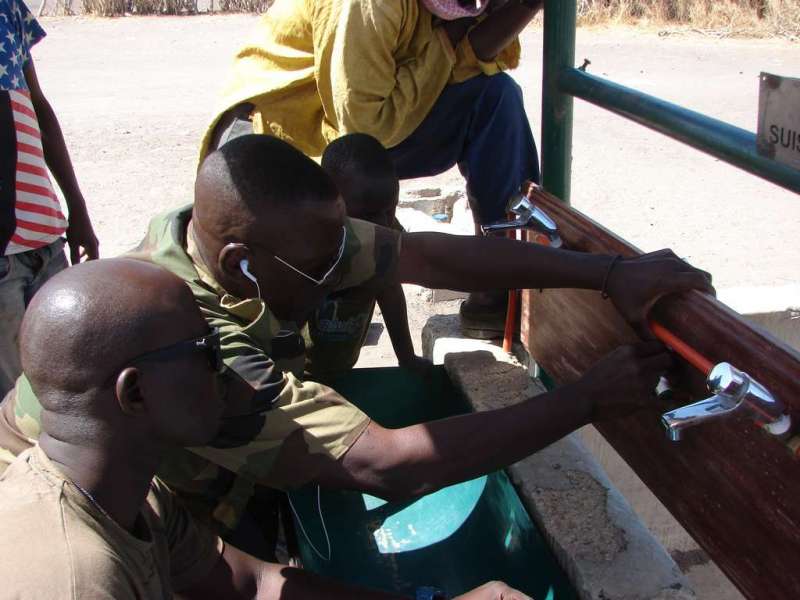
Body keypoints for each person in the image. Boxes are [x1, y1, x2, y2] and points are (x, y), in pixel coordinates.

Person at [0, 135, 712, 544]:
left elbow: (429, 257)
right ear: (243, 267)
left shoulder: (265, 237)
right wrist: (587, 400)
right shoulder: (192, 342)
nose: (346, 271)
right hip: (80, 522)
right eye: (324, 265)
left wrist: (608, 271)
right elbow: (383, 464)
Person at [0, 257, 530, 600]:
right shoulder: (75, 578)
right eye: (210, 353)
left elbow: (252, 583)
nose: (228, 372)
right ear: (134, 392)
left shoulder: (132, 496)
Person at [201, 0, 543, 334]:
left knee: (497, 96)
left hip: (363, 123)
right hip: (283, 137)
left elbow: (464, 63)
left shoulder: (461, 6)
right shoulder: (367, 6)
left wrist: (524, 6)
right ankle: (284, 329)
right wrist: (451, 38)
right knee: (295, 282)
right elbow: (364, 126)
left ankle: (500, 280)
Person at [0, 0, 99, 397]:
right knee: (11, 399)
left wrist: (78, 210)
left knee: (66, 382)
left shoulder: (8, 9)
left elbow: (37, 106)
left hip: (45, 236)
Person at [306, 132, 432, 381]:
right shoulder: (307, 241)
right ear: (331, 202)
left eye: (390, 210)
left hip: (344, 367)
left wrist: (406, 357)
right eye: (370, 215)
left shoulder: (386, 233)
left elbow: (390, 293)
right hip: (296, 374)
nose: (383, 224)